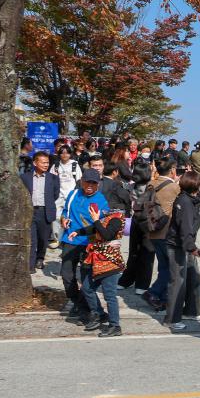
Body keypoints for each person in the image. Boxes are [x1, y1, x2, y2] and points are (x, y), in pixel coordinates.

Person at [58, 169, 109, 322]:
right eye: (87, 181)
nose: (90, 185)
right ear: (81, 181)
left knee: (86, 280)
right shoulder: (73, 194)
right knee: (66, 275)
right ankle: (77, 302)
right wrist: (63, 220)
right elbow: (64, 212)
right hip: (70, 240)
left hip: (89, 244)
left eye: (94, 182)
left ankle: (83, 307)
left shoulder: (101, 201)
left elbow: (103, 225)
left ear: (98, 184)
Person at [76, 203, 126, 337]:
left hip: (110, 263)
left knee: (109, 295)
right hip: (98, 262)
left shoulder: (116, 219)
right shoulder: (108, 218)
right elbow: (95, 229)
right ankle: (99, 314)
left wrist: (96, 219)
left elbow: (107, 235)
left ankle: (115, 326)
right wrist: (78, 232)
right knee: (87, 288)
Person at [164, 171, 200, 330]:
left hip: (186, 244)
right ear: (195, 185)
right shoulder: (185, 202)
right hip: (178, 246)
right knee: (178, 282)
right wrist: (192, 248)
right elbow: (185, 229)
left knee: (194, 276)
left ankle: (191, 310)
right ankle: (172, 319)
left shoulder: (191, 200)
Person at [142, 158, 181, 311]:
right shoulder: (173, 187)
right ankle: (153, 292)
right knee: (171, 268)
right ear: (172, 170)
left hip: (153, 230)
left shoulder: (151, 184)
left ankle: (163, 299)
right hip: (168, 231)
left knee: (163, 266)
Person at [20, 150, 60, 271]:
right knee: (31, 239)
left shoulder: (53, 178)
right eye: (43, 162)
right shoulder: (25, 177)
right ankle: (30, 265)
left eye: (47, 162)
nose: (46, 165)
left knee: (43, 238)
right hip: (30, 211)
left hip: (45, 212)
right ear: (35, 163)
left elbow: (55, 194)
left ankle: (40, 258)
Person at [118, 159, 154, 291]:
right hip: (142, 222)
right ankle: (137, 283)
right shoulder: (147, 186)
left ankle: (133, 281)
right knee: (142, 253)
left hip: (142, 222)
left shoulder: (139, 187)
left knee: (139, 253)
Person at [50, 144, 82, 247]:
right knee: (56, 217)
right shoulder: (55, 165)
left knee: (70, 217)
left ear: (70, 154)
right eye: (62, 152)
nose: (64, 155)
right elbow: (51, 180)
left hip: (71, 196)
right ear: (59, 154)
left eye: (67, 152)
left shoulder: (75, 165)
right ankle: (56, 239)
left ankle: (68, 237)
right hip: (58, 195)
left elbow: (79, 180)